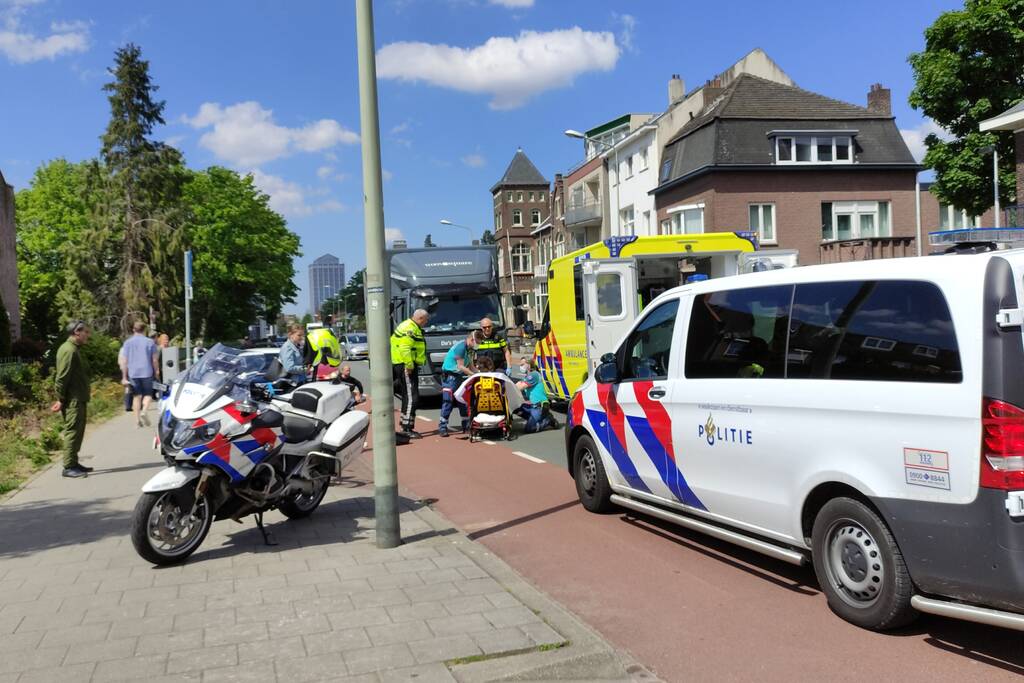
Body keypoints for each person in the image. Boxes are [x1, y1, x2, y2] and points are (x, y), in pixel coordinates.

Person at [52, 320, 93, 478]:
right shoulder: (68, 350)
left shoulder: (74, 349)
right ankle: (68, 466)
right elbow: (61, 378)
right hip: (72, 400)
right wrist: (60, 399)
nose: (87, 335)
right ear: (77, 332)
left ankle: (74, 462)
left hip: (78, 398)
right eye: (86, 332)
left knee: (78, 431)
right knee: (72, 431)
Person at [391, 309, 429, 438]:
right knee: (412, 396)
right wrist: (409, 365)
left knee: (408, 396)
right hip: (405, 365)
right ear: (420, 318)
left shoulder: (410, 325)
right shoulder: (410, 328)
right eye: (426, 320)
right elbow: (405, 348)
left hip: (404, 364)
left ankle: (405, 423)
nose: (427, 322)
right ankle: (407, 428)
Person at [437, 331, 479, 437]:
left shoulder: (470, 349)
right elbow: (460, 366)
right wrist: (472, 374)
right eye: (477, 342)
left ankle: (466, 426)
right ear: (471, 340)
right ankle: (442, 427)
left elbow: (470, 364)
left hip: (458, 376)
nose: (478, 344)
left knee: (463, 400)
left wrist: (479, 373)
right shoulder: (461, 347)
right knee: (448, 401)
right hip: (449, 376)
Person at [119, 321, 160, 428]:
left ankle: (137, 421)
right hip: (147, 372)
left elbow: (124, 361)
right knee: (148, 394)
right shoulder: (150, 342)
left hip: (133, 373)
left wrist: (124, 376)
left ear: (133, 330)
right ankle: (144, 410)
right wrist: (157, 372)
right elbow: (154, 360)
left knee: (136, 397)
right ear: (144, 330)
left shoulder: (127, 343)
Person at [515, 356, 558, 433]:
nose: (521, 367)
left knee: (529, 429)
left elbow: (519, 387)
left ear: (529, 365)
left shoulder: (533, 375)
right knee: (515, 407)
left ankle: (547, 420)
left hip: (539, 406)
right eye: (520, 365)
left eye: (522, 364)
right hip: (532, 406)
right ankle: (536, 419)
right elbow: (518, 385)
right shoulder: (527, 377)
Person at [305, 316, 342, 380]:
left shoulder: (311, 335)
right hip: (327, 359)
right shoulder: (329, 331)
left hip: (317, 361)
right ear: (330, 321)